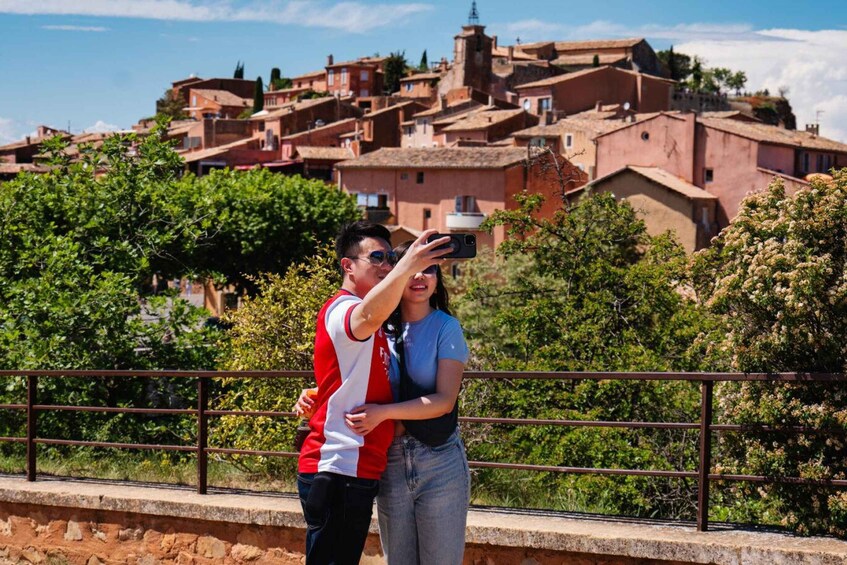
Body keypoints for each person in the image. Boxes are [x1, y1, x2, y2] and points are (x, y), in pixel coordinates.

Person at [299, 240, 470, 564]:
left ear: (438, 280)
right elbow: (354, 377)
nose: (419, 277)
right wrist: (317, 394)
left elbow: (444, 401)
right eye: (412, 268)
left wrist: (383, 413)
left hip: (438, 459)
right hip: (389, 457)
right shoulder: (379, 329)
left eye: (429, 270)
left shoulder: (446, 327)